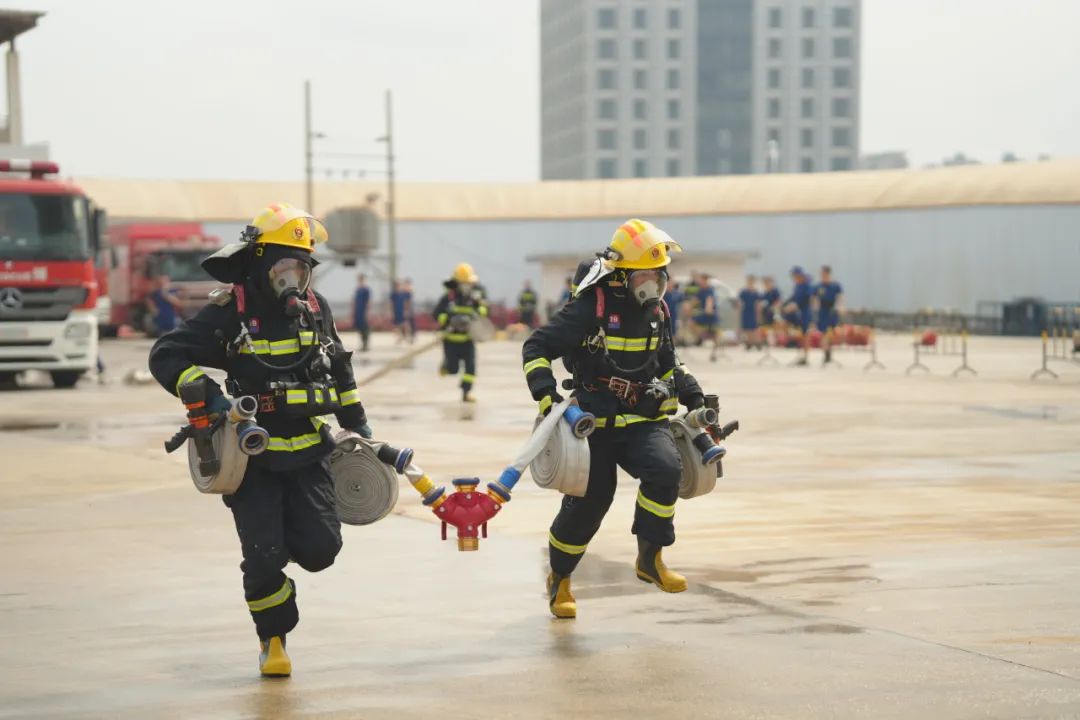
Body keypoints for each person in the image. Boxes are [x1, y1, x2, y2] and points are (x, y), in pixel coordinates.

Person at [148, 203, 371, 678]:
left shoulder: (316, 309)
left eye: (302, 267)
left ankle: (279, 547)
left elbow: (338, 366)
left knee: (320, 551)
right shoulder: (230, 313)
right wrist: (206, 397)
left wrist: (357, 422)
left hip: (312, 451)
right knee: (263, 558)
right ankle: (274, 639)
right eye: (285, 266)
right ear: (261, 263)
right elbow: (167, 353)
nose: (294, 278)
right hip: (253, 459)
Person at [521, 219, 706, 619]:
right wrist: (545, 395)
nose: (655, 284)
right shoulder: (592, 305)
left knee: (665, 470)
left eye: (660, 275)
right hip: (596, 423)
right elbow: (536, 346)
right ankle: (561, 578)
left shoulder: (658, 310)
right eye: (646, 275)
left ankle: (650, 558)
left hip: (642, 418)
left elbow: (669, 363)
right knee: (591, 503)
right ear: (622, 276)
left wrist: (693, 395)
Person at [433, 262, 488, 402]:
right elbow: (436, 314)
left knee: (470, 367)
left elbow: (484, 311)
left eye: (468, 283)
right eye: (463, 283)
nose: (466, 286)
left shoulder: (474, 298)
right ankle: (446, 365)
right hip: (451, 340)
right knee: (453, 369)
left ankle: (466, 392)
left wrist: (477, 313)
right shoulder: (449, 298)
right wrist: (450, 319)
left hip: (468, 339)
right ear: (457, 283)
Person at [783, 266, 814, 365]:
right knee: (799, 334)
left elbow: (806, 299)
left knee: (805, 334)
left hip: (805, 313)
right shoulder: (797, 285)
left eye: (795, 275)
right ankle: (800, 355)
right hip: (797, 313)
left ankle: (805, 357)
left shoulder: (807, 285)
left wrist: (795, 305)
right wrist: (784, 304)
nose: (793, 277)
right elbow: (793, 297)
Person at [814, 265, 844, 365]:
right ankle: (826, 354)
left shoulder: (835, 285)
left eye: (824, 274)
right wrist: (815, 307)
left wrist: (840, 307)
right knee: (823, 333)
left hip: (832, 310)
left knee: (831, 332)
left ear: (829, 274)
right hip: (823, 311)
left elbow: (840, 297)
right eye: (821, 274)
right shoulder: (819, 286)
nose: (823, 276)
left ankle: (829, 351)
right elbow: (815, 298)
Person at [737, 275, 762, 350]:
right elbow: (739, 302)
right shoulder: (743, 292)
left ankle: (757, 343)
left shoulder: (756, 292)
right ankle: (749, 343)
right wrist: (739, 311)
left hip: (753, 311)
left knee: (754, 328)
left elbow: (758, 304)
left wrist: (758, 314)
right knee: (747, 328)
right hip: (745, 311)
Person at [353, 273, 371, 352]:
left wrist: (367, 312)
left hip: (364, 311)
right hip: (358, 311)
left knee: (365, 328)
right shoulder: (358, 290)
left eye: (362, 280)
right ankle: (362, 344)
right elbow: (355, 301)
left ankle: (366, 344)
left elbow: (368, 302)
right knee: (360, 328)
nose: (361, 281)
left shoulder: (366, 290)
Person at [390, 279, 411, 344]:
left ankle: (406, 337)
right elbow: (391, 303)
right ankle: (399, 338)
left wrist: (406, 310)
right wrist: (392, 312)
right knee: (397, 326)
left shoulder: (403, 293)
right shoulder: (393, 294)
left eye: (398, 285)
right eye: (396, 285)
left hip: (403, 311)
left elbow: (407, 302)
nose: (397, 286)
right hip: (396, 312)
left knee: (405, 325)